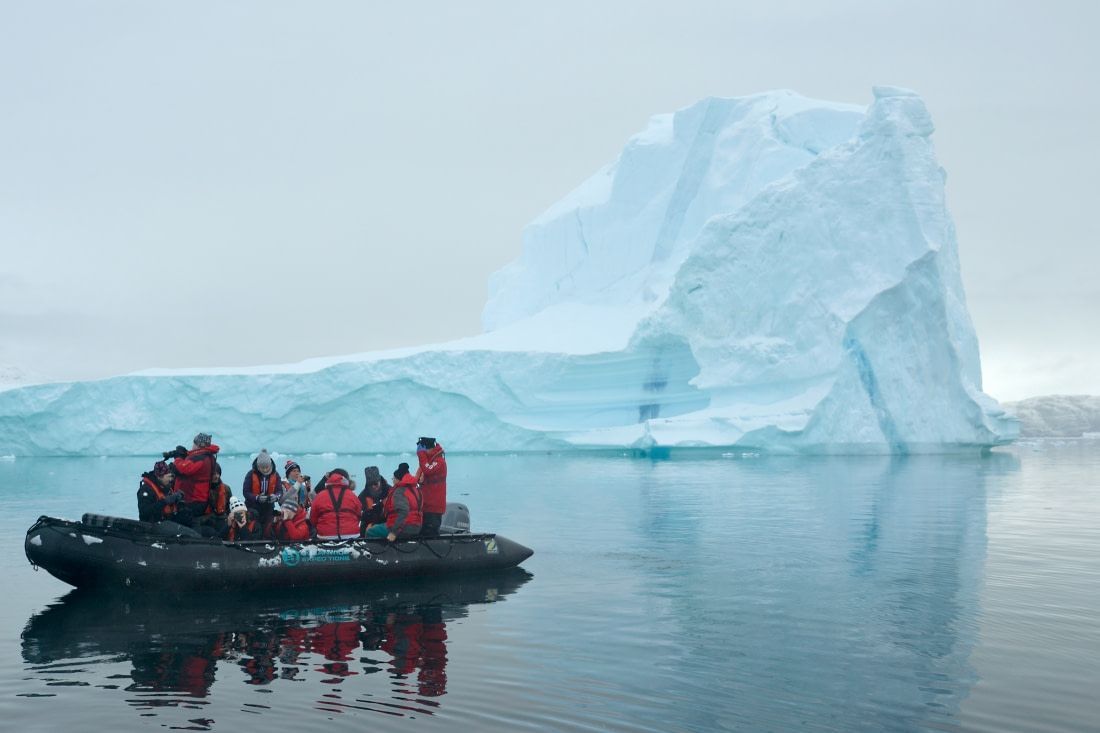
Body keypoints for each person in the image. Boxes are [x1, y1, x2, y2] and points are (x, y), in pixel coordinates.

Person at [166, 432, 220, 521]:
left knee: (184, 522)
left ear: (198, 444)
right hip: (199, 499)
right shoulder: (207, 456)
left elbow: (181, 470)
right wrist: (186, 454)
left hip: (193, 500)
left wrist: (178, 458)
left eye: (194, 443)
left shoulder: (200, 459)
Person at [365, 462, 422, 541]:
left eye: (393, 478)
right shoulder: (415, 489)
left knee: (371, 531)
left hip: (403, 527)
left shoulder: (399, 491)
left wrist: (394, 532)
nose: (393, 481)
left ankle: (374, 551)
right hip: (416, 527)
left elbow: (403, 511)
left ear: (398, 479)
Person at [311, 469, 363, 540]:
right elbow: (359, 515)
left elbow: (313, 519)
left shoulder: (320, 496)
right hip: (351, 535)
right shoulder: (352, 496)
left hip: (325, 536)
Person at [415, 437, 447, 537]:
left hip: (434, 508)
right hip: (425, 506)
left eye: (422, 449)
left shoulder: (439, 462)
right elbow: (416, 479)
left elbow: (428, 469)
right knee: (423, 533)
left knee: (431, 534)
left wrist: (421, 455)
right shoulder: (428, 462)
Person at [243, 449, 283, 527]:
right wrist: (257, 497)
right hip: (252, 506)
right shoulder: (250, 474)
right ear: (258, 466)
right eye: (262, 467)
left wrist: (276, 497)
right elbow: (246, 492)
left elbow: (279, 491)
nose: (265, 470)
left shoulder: (276, 475)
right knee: (254, 521)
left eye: (267, 467)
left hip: (268, 506)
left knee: (268, 522)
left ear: (270, 465)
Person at [201, 462, 233, 529]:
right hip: (207, 519)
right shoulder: (202, 489)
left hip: (223, 518)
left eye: (218, 473)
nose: (216, 476)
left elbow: (229, 507)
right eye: (213, 474)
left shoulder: (226, 489)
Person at [359, 465, 389, 534]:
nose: (373, 486)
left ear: (380, 481)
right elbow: (362, 516)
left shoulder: (391, 492)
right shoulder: (363, 496)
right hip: (369, 526)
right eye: (370, 484)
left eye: (375, 484)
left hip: (388, 523)